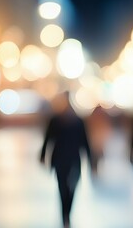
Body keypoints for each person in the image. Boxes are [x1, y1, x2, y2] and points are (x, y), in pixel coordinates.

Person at [40, 92, 93, 227]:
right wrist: (42, 155)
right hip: (60, 159)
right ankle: (65, 215)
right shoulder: (56, 121)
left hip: (74, 160)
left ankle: (67, 212)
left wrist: (90, 159)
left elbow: (84, 141)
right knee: (62, 188)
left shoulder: (78, 121)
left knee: (72, 187)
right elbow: (49, 139)